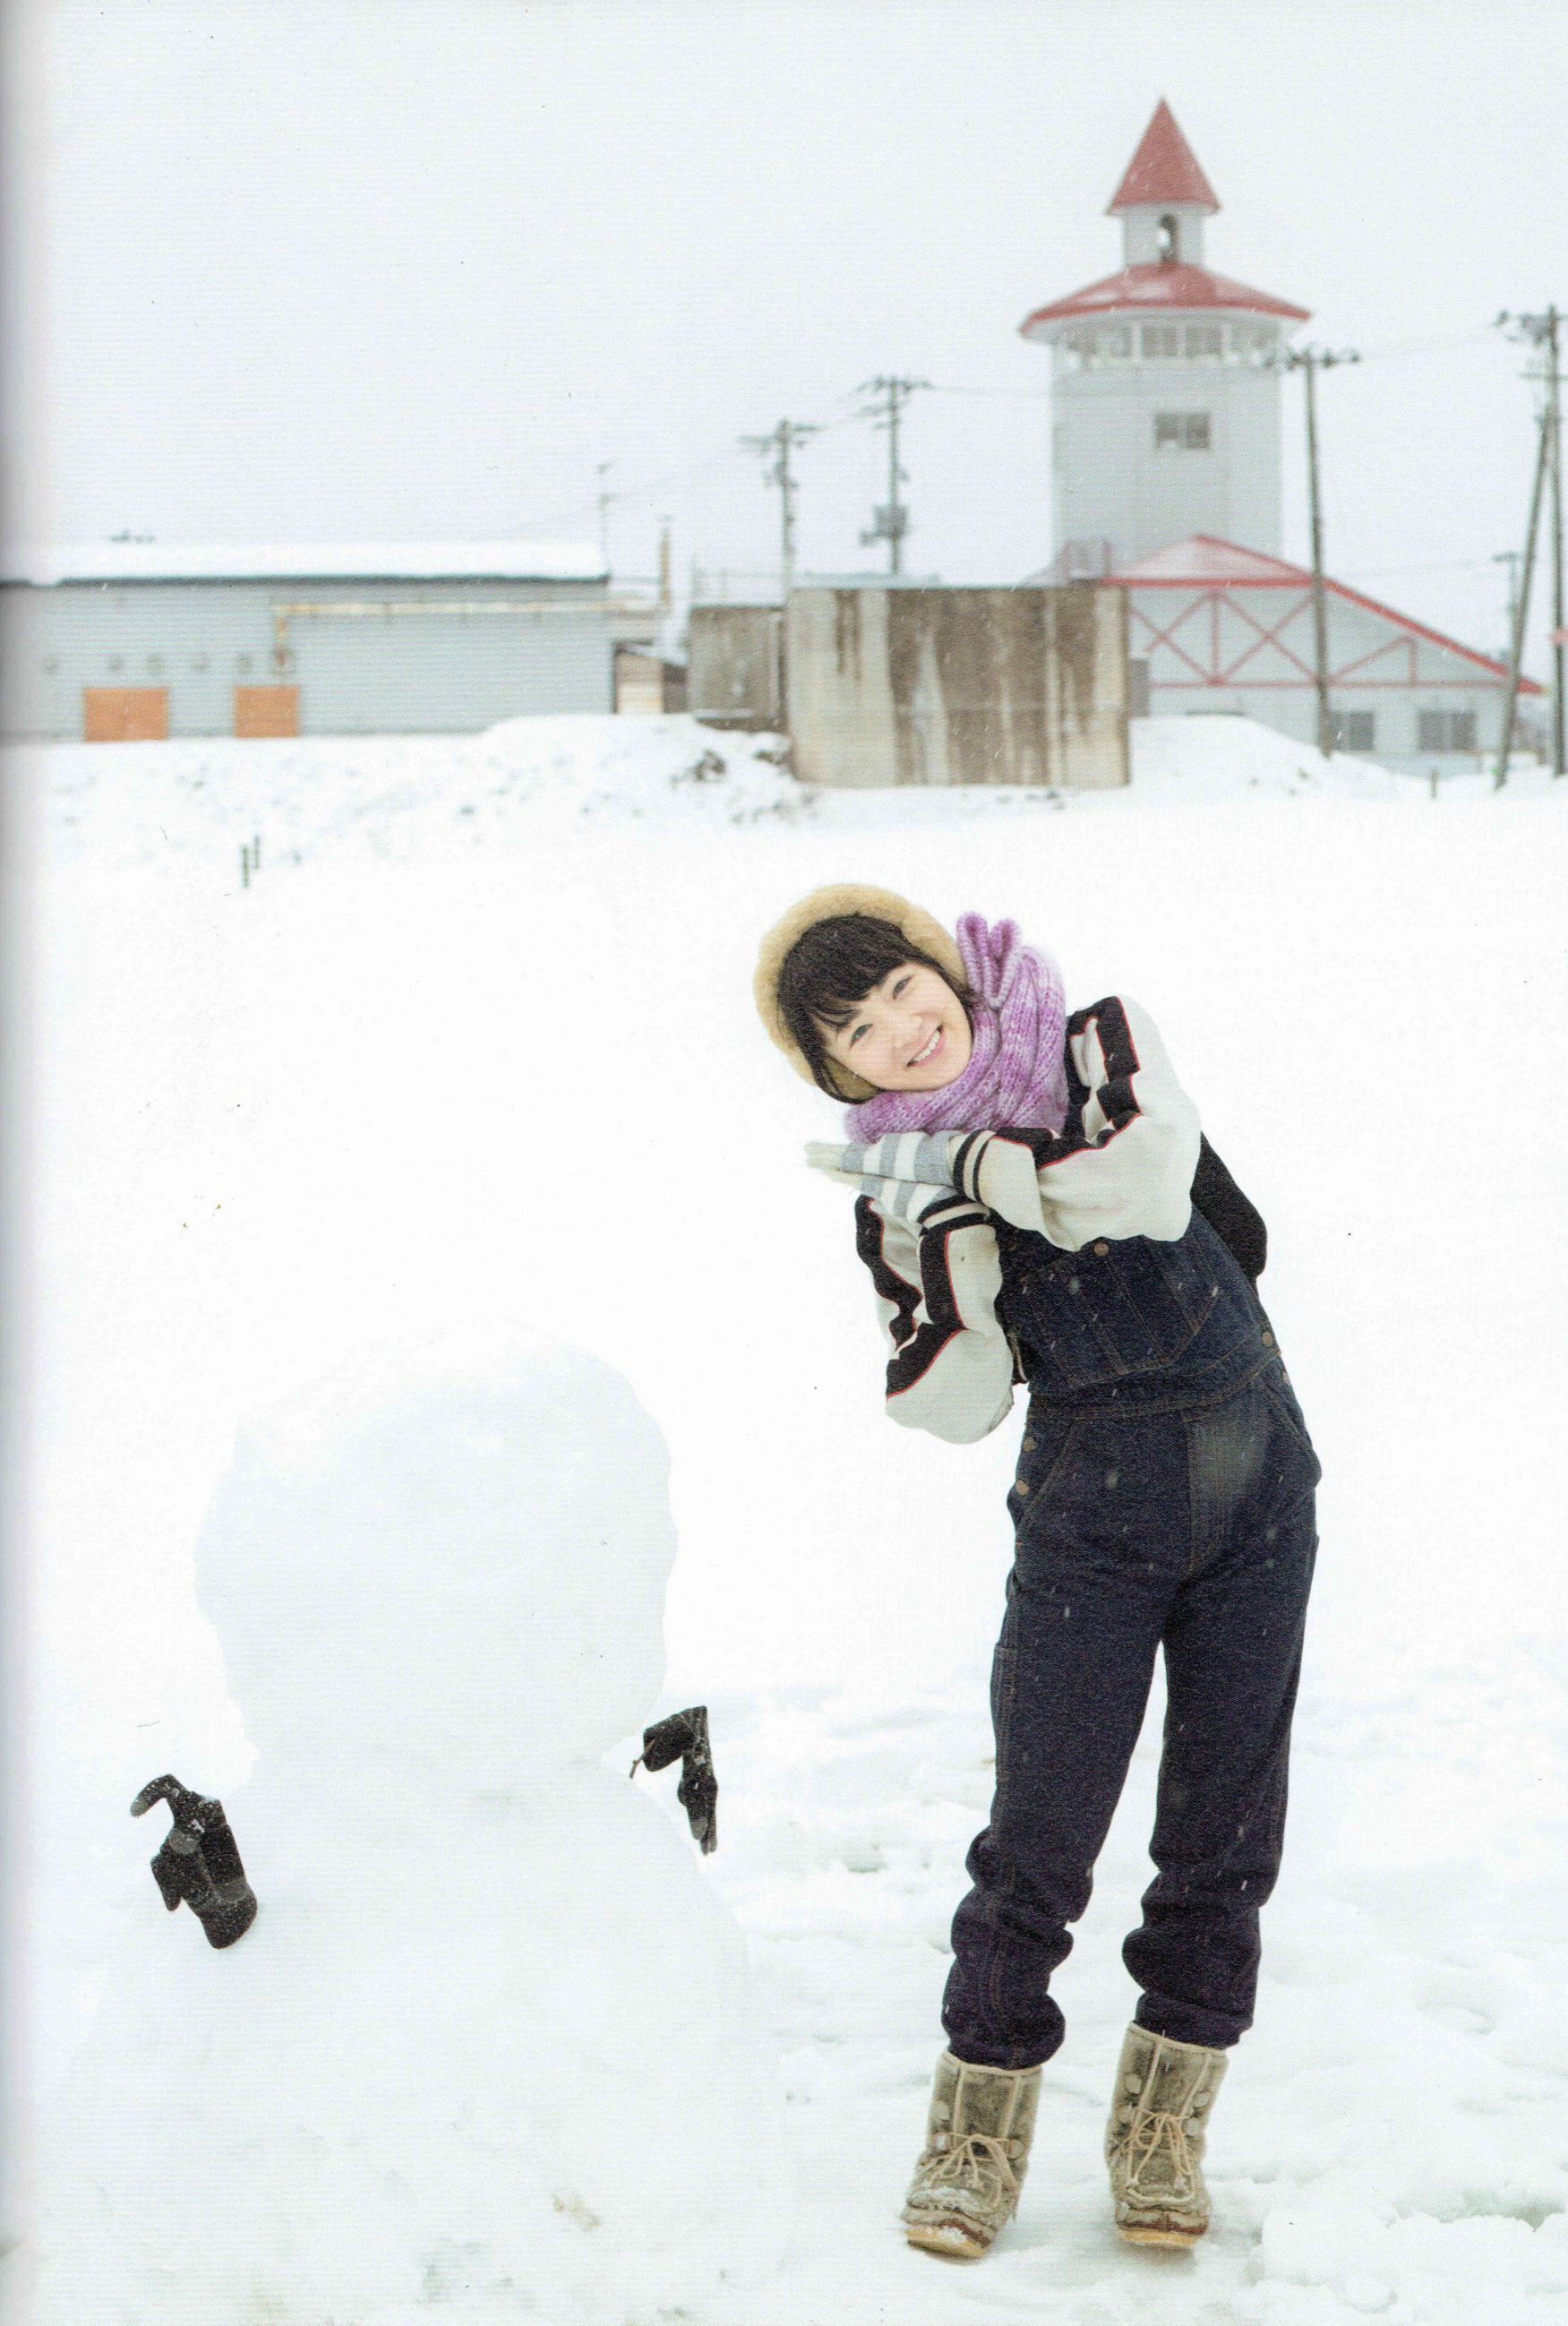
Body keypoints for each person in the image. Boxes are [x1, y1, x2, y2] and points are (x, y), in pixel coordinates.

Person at [752, 883, 1320, 2262]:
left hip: (1255, 1482)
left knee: (1223, 1836)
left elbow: (1133, 1183)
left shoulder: (1092, 1041)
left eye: (901, 985)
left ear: (939, 966)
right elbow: (950, 1402)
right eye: (854, 1030)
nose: (900, 1027)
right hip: (1090, 1512)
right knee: (1039, 1839)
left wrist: (971, 1174)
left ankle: (1161, 2127)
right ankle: (977, 2131)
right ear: (833, 1072)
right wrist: (942, 1235)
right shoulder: (898, 1203)